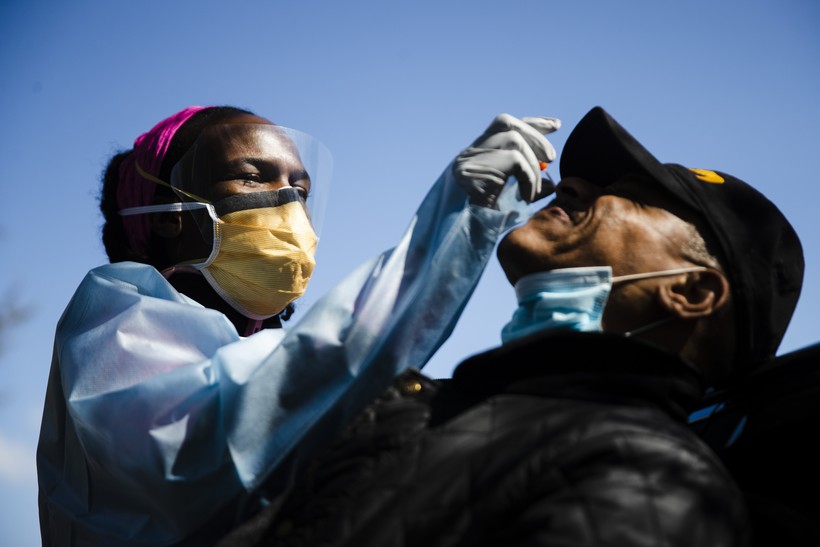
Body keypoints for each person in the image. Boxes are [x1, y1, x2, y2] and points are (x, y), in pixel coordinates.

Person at [215, 106, 804, 547]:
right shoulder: (431, 412)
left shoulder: (654, 476)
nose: (567, 184)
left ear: (691, 291)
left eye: (629, 196)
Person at [36, 105, 562, 546]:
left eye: (301, 189)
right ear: (173, 214)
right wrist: (454, 223)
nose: (288, 203)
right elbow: (217, 436)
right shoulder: (119, 314)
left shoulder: (248, 343)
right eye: (253, 175)